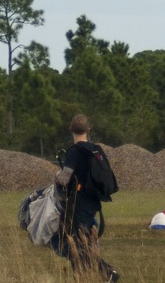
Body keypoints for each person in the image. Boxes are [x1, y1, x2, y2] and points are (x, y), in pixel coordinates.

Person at [52, 114, 119, 282]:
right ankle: (80, 276)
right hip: (93, 201)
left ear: (71, 130)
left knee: (77, 243)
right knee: (84, 240)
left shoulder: (74, 151)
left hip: (80, 203)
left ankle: (107, 272)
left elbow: (64, 179)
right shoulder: (94, 149)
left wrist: (56, 175)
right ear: (88, 130)